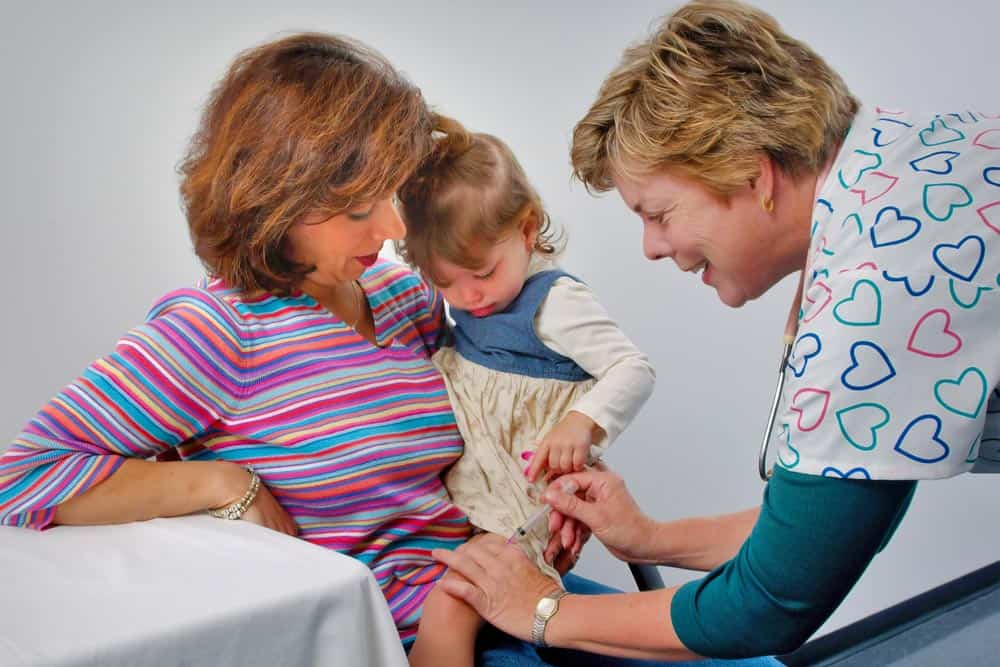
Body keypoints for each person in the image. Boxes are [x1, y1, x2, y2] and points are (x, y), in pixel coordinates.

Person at [0, 29, 775, 667]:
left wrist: (550, 477)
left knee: (754, 660)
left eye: (394, 194)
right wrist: (222, 482)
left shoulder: (406, 300)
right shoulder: (216, 331)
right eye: (358, 209)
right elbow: (24, 475)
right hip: (409, 634)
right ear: (278, 200)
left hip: (507, 589)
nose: (396, 231)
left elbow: (494, 415)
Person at [431, 0, 1000, 661]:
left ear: (754, 174)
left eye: (660, 212)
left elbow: (765, 606)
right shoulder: (902, 165)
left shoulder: (871, 292)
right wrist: (648, 536)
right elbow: (829, 534)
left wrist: (542, 608)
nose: (650, 246)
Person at [394, 120, 655, 666]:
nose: (468, 297)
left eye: (482, 273)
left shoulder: (552, 303)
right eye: (446, 283)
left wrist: (582, 421)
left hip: (527, 493)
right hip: (476, 493)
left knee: (469, 595)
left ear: (528, 229)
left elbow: (632, 369)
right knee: (463, 588)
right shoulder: (465, 297)